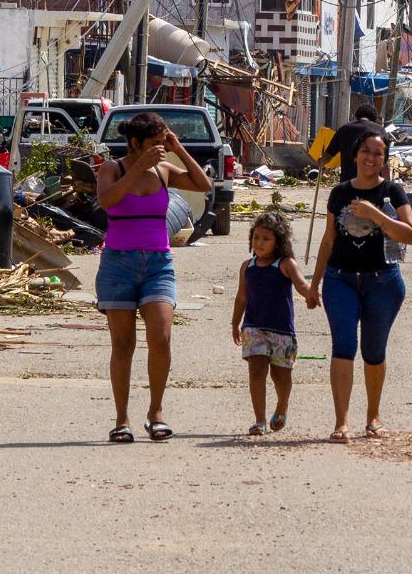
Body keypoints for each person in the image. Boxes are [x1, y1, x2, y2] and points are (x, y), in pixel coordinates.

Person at [95, 111, 213, 443]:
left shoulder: (163, 171)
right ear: (134, 143)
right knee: (123, 344)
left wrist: (179, 149)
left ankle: (156, 412)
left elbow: (203, 185)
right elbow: (107, 201)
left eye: (163, 143)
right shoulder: (113, 168)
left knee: (161, 338)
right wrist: (137, 166)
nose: (159, 149)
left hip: (158, 264)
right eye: (154, 144)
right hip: (119, 264)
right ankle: (122, 419)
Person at [308, 132, 412, 443]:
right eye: (366, 151)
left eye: (378, 153)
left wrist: (375, 214)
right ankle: (341, 422)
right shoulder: (339, 192)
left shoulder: (392, 191)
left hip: (382, 281)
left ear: (385, 160)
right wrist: (313, 284)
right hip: (339, 278)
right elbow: (328, 240)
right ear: (355, 156)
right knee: (343, 346)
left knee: (373, 351)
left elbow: (410, 235)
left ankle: (373, 416)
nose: (371, 158)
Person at [230, 210, 314, 436]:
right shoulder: (247, 266)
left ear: (278, 242)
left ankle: (282, 405)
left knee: (280, 375)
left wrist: (312, 295)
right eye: (256, 237)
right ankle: (259, 420)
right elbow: (242, 297)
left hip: (281, 331)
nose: (259, 242)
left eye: (266, 239)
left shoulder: (285, 264)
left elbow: (301, 284)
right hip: (253, 327)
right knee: (256, 371)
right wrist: (235, 323)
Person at [324, 103, 385, 184]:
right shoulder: (379, 130)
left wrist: (321, 162)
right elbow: (385, 163)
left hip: (348, 184)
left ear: (356, 117)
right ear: (373, 119)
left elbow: (327, 157)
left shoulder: (344, 129)